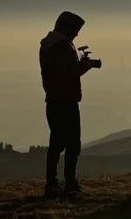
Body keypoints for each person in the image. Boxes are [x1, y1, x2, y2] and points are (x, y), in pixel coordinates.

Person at [39, 11, 95, 198]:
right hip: (67, 101)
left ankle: (52, 182)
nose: (77, 35)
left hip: (53, 100)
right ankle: (69, 183)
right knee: (72, 144)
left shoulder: (48, 44)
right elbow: (70, 72)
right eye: (75, 31)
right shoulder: (63, 46)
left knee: (56, 142)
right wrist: (86, 65)